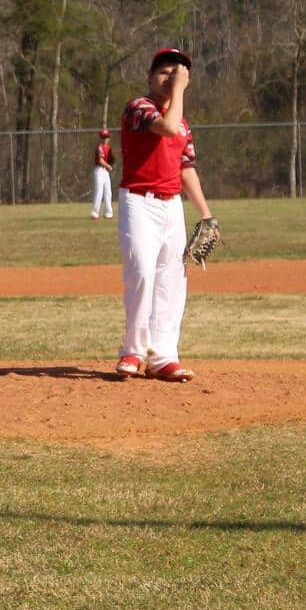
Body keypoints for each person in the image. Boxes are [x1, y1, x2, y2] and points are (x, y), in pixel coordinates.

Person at [115, 48, 218, 382]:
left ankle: (163, 357)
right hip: (138, 200)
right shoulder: (138, 107)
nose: (171, 77)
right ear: (149, 77)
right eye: (164, 72)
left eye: (177, 72)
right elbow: (167, 128)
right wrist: (179, 89)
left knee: (172, 280)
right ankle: (133, 349)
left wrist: (206, 215)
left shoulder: (183, 122)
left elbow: (186, 168)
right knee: (142, 272)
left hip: (171, 204)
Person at [89, 128, 115, 219]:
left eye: (107, 137)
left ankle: (109, 213)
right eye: (103, 137)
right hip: (99, 170)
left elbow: (110, 159)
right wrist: (108, 166)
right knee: (99, 191)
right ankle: (95, 213)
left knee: (108, 192)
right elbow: (100, 161)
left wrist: (110, 163)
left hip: (105, 171)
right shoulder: (99, 147)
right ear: (101, 138)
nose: (105, 139)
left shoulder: (108, 147)